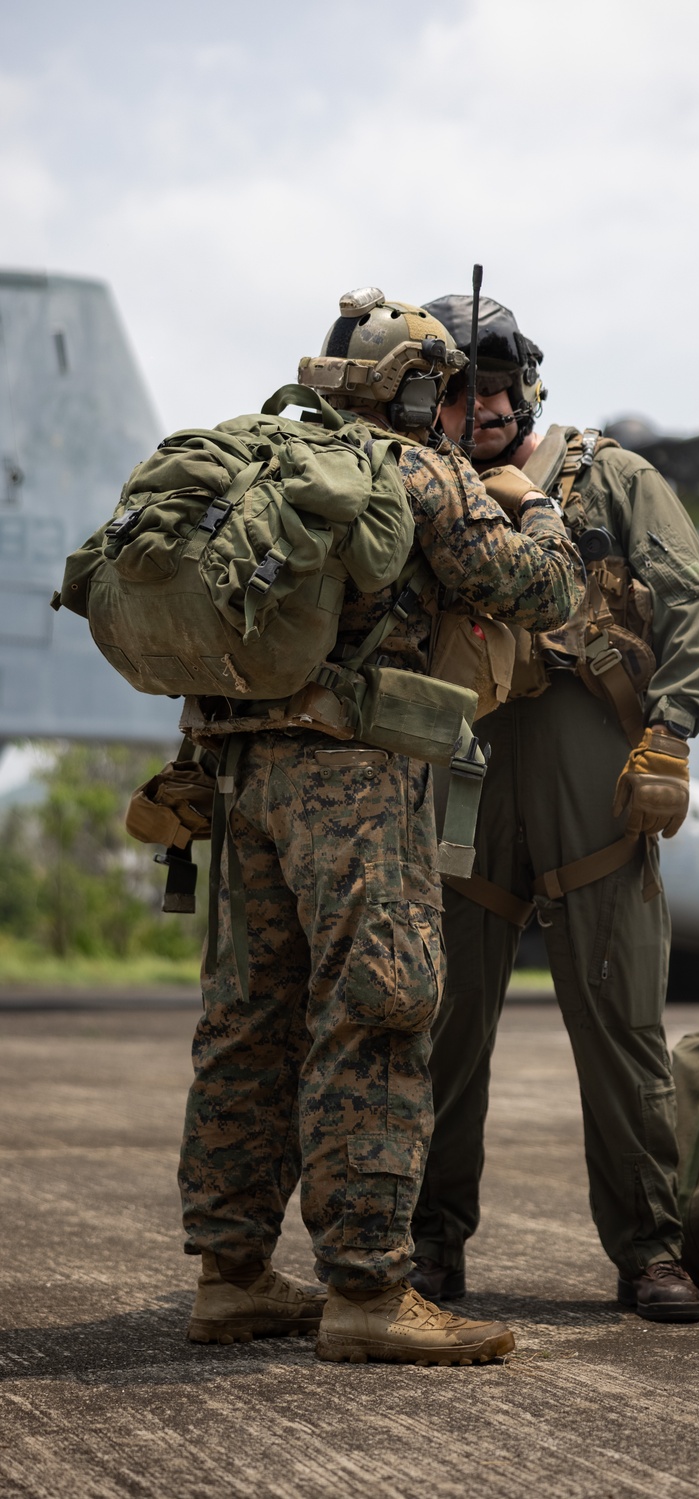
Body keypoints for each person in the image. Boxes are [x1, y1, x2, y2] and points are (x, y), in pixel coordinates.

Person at [176, 288, 585, 1365]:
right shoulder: (423, 470)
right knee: (380, 1009)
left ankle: (230, 1275)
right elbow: (540, 588)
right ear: (415, 388)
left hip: (241, 764)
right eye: (442, 386)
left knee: (248, 1018)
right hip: (355, 776)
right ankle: (367, 1290)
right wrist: (531, 503)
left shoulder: (271, 457)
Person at [409, 294, 699, 1323]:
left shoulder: (611, 477)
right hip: (465, 778)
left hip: (596, 785)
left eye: (497, 386)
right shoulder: (416, 492)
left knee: (623, 1026)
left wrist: (670, 731)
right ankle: (426, 1248)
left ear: (525, 385)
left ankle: (648, 1250)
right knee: (442, 1027)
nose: (484, 406)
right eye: (460, 391)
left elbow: (691, 604)